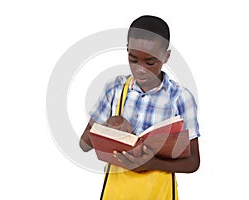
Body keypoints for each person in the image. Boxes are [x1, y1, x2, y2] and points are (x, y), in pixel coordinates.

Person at [80, 15, 200, 200]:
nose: (140, 69)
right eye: (133, 59)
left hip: (158, 192)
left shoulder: (180, 98)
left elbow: (193, 162)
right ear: (127, 50)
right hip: (117, 191)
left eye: (150, 62)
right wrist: (108, 124)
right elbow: (84, 144)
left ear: (166, 57)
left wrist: (152, 163)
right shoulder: (115, 89)